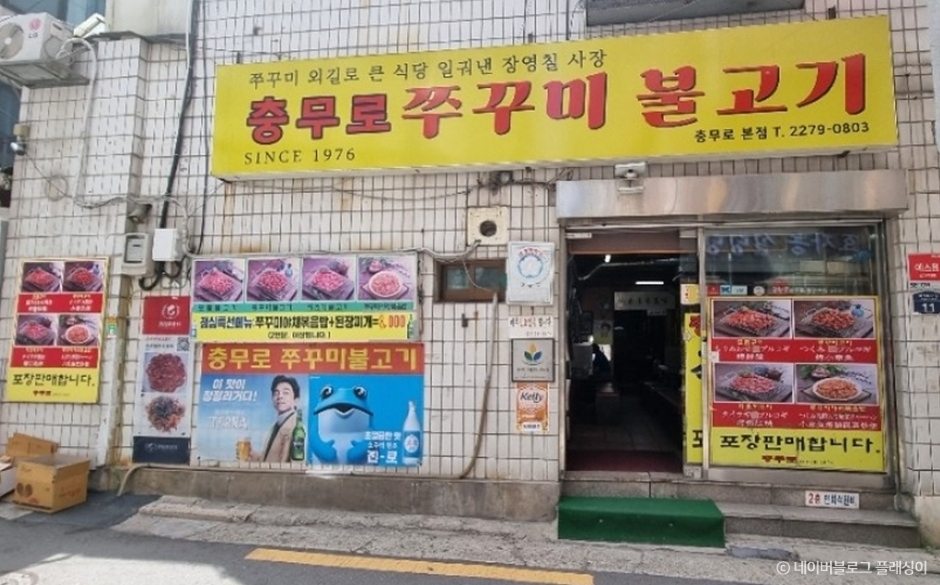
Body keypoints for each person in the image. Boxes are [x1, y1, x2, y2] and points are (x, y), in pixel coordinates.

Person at [255, 375, 300, 462]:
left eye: (285, 393)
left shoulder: (297, 428)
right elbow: (271, 461)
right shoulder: (276, 425)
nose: (280, 396)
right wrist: (253, 456)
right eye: (276, 393)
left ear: (296, 400)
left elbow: (297, 465)